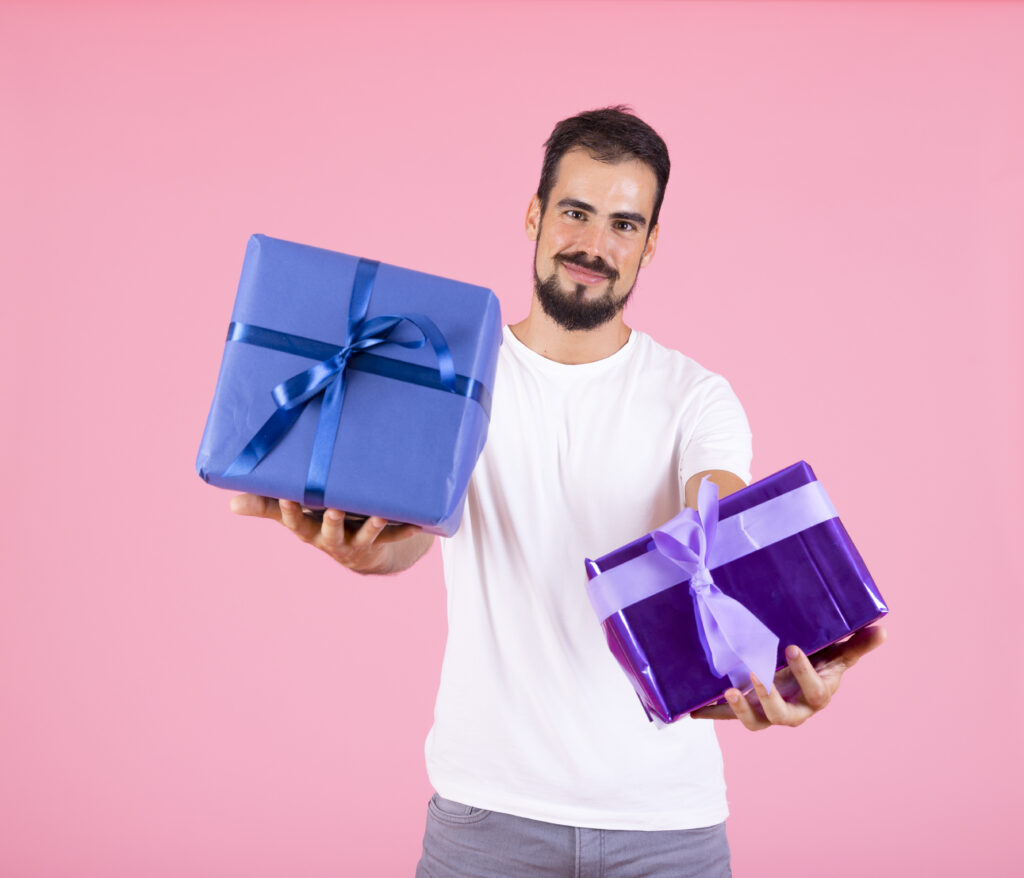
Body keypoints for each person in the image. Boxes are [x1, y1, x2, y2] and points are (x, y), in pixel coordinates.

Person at [231, 107, 886, 877]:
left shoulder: (697, 396)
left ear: (649, 245)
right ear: (535, 214)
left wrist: (770, 655)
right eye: (576, 212)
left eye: (623, 224)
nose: (594, 246)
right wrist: (357, 550)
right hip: (486, 820)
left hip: (665, 827)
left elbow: (715, 520)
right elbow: (409, 535)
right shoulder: (452, 378)